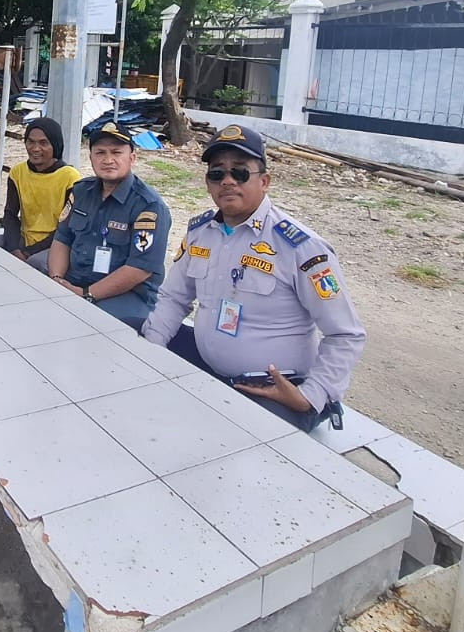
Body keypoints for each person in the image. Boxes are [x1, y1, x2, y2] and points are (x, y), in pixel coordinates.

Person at [139, 122, 365, 431]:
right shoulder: (200, 233)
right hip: (209, 369)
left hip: (273, 390)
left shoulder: (300, 246)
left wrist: (309, 396)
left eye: (241, 172)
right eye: (217, 174)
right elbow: (174, 298)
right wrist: (151, 353)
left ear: (265, 181)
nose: (228, 181)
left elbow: (345, 334)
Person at [47, 120, 172, 329]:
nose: (108, 160)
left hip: (128, 294)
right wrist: (57, 280)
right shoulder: (80, 191)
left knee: (87, 322)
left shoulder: (148, 206)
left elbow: (138, 270)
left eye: (116, 152)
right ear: (91, 157)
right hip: (76, 280)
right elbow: (62, 238)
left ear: (132, 158)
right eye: (100, 153)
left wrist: (86, 294)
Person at [0, 116, 80, 273]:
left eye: (43, 143)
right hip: (24, 239)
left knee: (35, 264)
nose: (35, 148)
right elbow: (10, 214)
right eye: (30, 142)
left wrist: (28, 252)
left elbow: (67, 227)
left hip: (56, 243)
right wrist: (14, 248)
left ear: (55, 146)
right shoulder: (18, 172)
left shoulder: (70, 178)